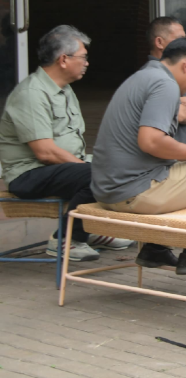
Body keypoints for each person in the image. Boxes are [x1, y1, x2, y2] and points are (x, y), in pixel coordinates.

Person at [91, 39, 186, 275]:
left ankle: (157, 248)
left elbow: (149, 145)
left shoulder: (142, 76)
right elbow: (151, 141)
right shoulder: (165, 84)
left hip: (108, 189)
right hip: (133, 193)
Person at [0, 26, 134, 261]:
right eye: (83, 57)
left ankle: (92, 229)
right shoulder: (32, 93)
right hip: (30, 173)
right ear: (64, 59)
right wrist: (86, 168)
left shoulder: (64, 90)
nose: (87, 63)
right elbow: (45, 152)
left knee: (129, 164)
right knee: (97, 174)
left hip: (61, 167)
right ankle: (67, 238)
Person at [146, 16, 186, 144]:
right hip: (172, 159)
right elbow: (182, 115)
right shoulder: (158, 78)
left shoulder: (176, 74)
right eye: (180, 40)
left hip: (185, 154)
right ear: (159, 42)